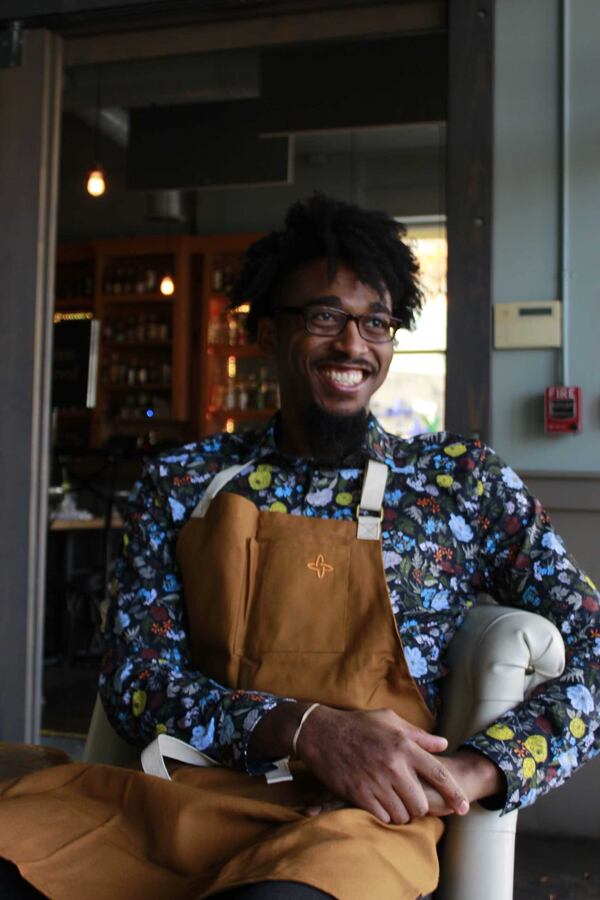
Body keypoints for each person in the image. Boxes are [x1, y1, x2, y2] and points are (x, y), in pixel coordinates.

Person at [1, 194, 598, 899]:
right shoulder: (184, 481)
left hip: (352, 826)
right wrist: (306, 729)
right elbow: (136, 682)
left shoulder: (458, 484)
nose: (353, 345)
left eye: (376, 322)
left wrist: (470, 770)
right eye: (324, 317)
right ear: (265, 332)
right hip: (173, 803)